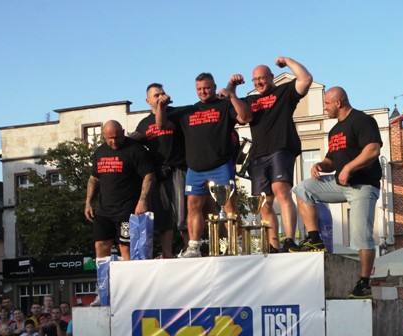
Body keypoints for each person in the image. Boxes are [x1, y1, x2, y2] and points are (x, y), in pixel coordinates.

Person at [291, 87, 383, 299]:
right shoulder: (334, 131)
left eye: (326, 103)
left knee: (361, 237)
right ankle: (314, 239)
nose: (324, 108)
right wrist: (320, 165)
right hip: (340, 184)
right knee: (303, 188)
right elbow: (331, 160)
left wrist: (349, 168)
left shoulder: (362, 120)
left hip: (362, 185)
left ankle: (364, 284)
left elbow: (373, 150)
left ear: (338, 102)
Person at [156, 72, 253, 258]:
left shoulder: (224, 106)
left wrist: (232, 96)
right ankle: (194, 247)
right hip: (196, 169)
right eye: (199, 89)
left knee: (230, 206)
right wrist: (161, 106)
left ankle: (237, 243)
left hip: (221, 165)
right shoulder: (188, 111)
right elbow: (161, 125)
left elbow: (246, 117)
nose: (203, 92)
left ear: (214, 87)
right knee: (193, 207)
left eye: (207, 88)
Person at [241, 57, 312, 252]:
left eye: (262, 78)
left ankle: (289, 239)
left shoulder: (284, 92)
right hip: (258, 154)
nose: (258, 83)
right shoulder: (250, 101)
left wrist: (287, 61)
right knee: (263, 202)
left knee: (281, 191)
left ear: (271, 77)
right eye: (255, 80)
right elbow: (238, 114)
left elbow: (305, 79)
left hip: (281, 148)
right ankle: (273, 244)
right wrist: (231, 88)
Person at [84, 120, 156, 261]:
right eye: (109, 138)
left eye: (117, 137)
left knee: (126, 248)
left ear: (123, 132)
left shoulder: (136, 149)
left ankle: (129, 276)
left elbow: (149, 175)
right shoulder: (100, 151)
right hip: (104, 211)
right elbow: (93, 178)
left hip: (127, 210)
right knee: (101, 245)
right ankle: (104, 275)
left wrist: (143, 201)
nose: (113, 141)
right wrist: (88, 203)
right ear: (104, 136)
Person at [132, 82, 188, 256]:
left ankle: (190, 249)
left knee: (183, 213)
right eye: (156, 95)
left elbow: (165, 125)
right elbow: (135, 144)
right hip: (157, 172)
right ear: (147, 100)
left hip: (178, 168)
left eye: (162, 94)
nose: (160, 97)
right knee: (162, 217)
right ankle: (167, 254)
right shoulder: (144, 124)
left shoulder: (176, 114)